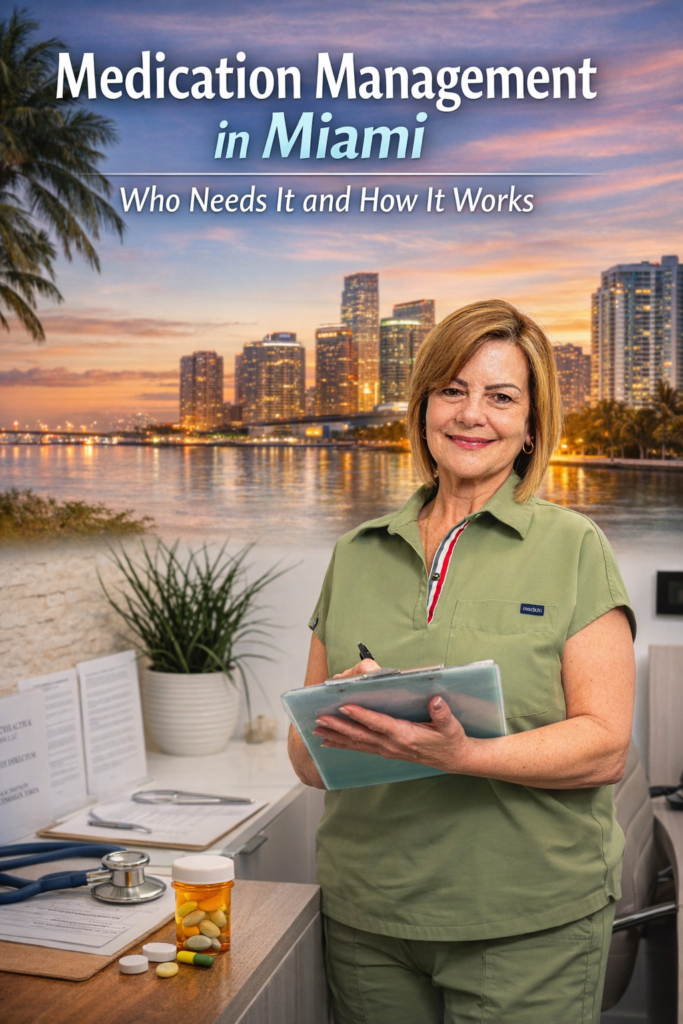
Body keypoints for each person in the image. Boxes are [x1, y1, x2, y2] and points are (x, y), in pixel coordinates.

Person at [288, 299, 636, 1024]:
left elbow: (603, 747)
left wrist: (459, 753)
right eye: (451, 389)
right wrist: (347, 711)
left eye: (500, 396)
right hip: (369, 920)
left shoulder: (574, 547)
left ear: (530, 424)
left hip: (526, 922)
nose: (470, 414)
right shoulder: (355, 553)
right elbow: (302, 757)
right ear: (422, 408)